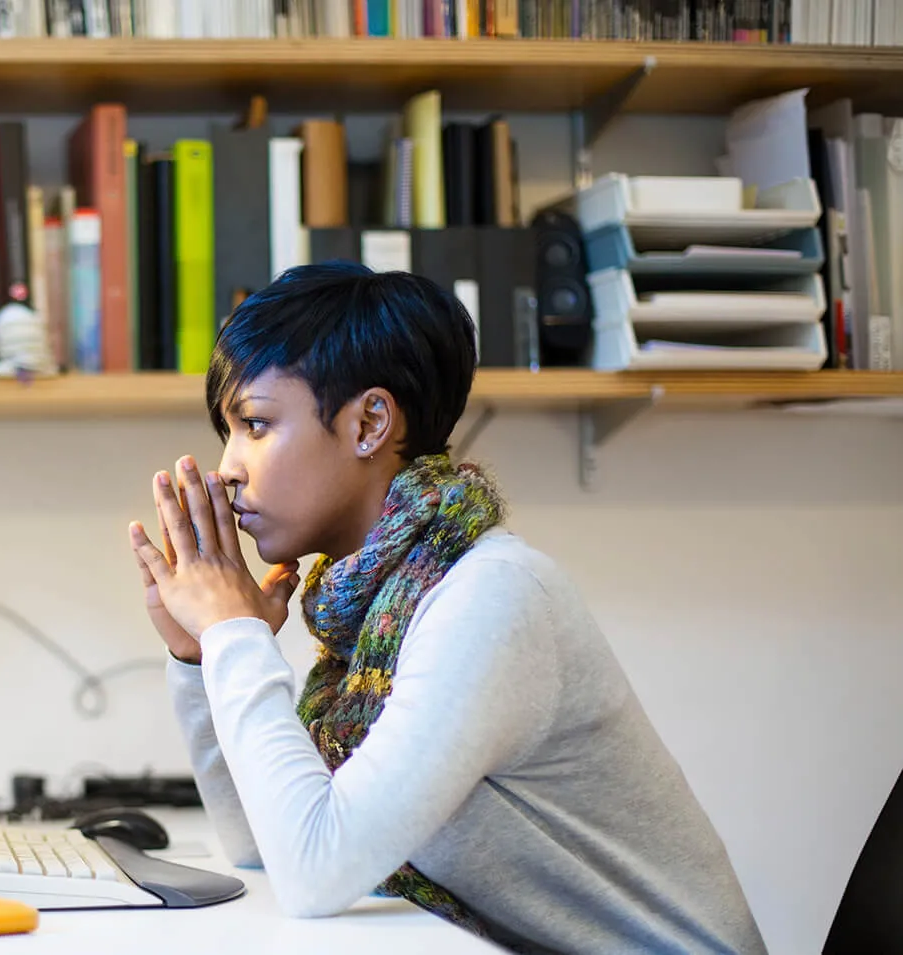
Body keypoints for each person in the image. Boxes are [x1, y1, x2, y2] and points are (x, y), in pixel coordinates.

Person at [127, 262, 766, 954]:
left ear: (370, 422)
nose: (228, 468)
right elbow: (261, 845)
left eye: (255, 423)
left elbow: (314, 870)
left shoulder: (490, 596)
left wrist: (235, 632)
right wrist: (200, 658)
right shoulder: (369, 614)